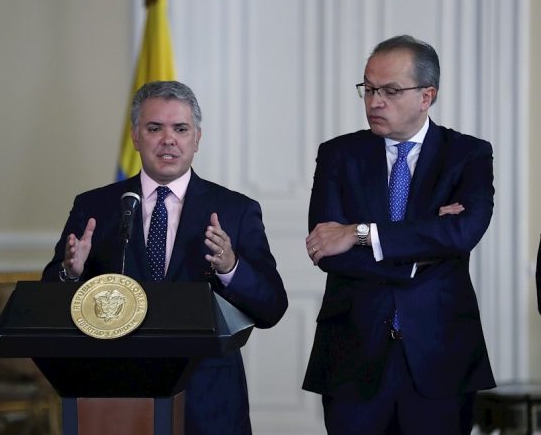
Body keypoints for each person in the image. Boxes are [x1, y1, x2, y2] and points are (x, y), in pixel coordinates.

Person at [42, 80, 288, 434]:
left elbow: (272, 307)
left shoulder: (235, 210)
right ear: (135, 137)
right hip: (117, 395)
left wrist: (231, 267)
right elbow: (50, 292)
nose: (168, 139)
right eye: (155, 128)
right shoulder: (95, 206)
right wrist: (71, 273)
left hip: (208, 397)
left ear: (197, 139)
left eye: (181, 129)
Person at [302, 35, 495, 434]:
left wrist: (359, 232)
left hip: (440, 356)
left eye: (391, 90)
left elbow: (462, 233)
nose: (375, 101)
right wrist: (425, 247)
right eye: (369, 88)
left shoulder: (468, 155)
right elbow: (327, 248)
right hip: (352, 356)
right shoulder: (339, 154)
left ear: (427, 96)